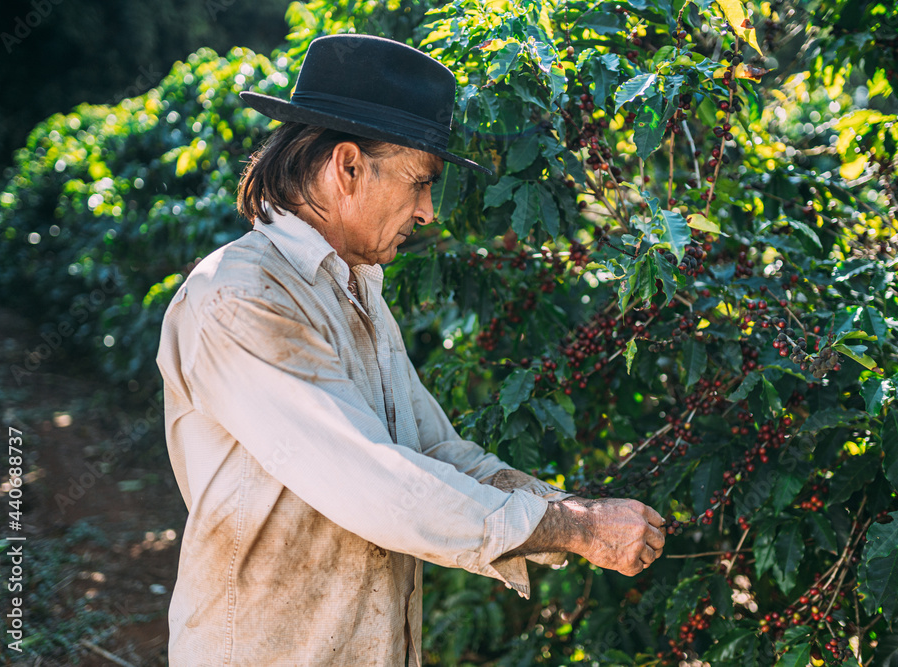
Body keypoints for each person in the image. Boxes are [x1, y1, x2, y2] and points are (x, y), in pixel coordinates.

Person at [156, 33, 665, 666]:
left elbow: (436, 454)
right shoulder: (239, 297)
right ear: (348, 167)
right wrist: (578, 529)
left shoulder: (356, 289)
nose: (429, 211)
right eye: (420, 183)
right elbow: (377, 482)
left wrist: (574, 515)